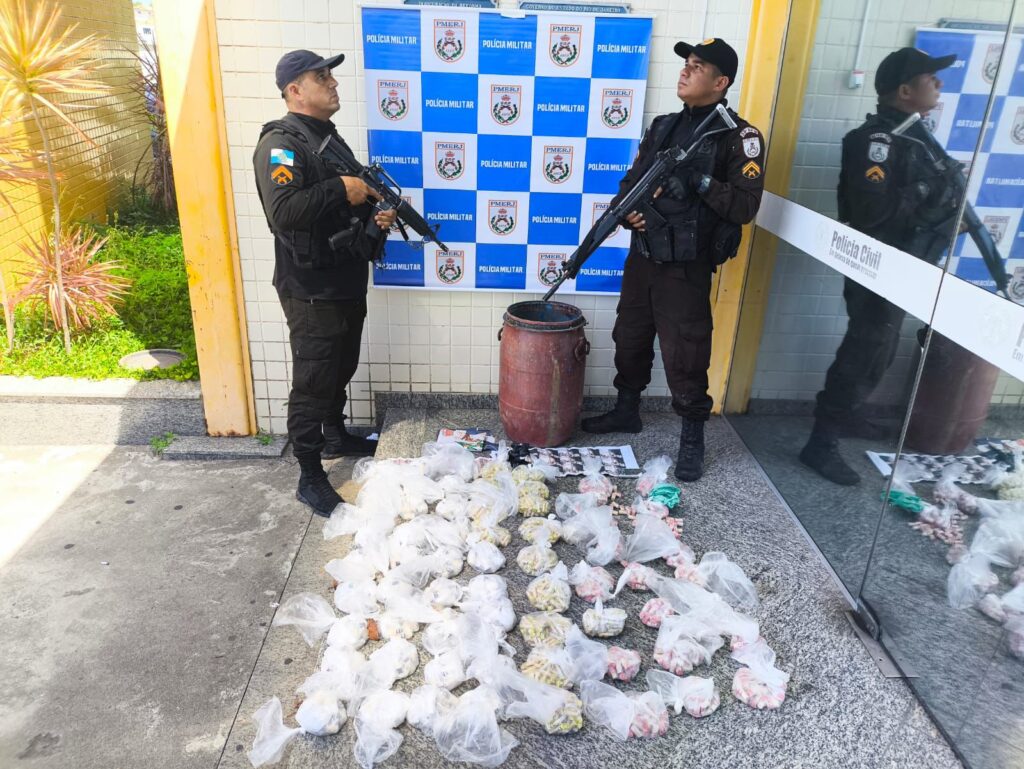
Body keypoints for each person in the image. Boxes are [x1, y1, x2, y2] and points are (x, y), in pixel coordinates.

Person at [581, 38, 766, 482]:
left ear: (721, 82)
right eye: (686, 63)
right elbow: (631, 182)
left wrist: (699, 180)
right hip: (644, 256)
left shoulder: (740, 137)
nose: (685, 71)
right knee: (630, 337)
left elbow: (745, 206)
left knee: (686, 351)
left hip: (686, 265)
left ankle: (692, 438)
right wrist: (629, 213)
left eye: (698, 66)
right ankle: (627, 410)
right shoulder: (664, 126)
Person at [800, 47, 962, 486]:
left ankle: (848, 415)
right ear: (905, 91)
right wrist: (929, 193)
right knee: (865, 347)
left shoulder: (915, 135)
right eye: (931, 77)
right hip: (878, 265)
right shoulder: (875, 142)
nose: (938, 84)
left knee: (882, 348)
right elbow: (873, 213)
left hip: (907, 264)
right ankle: (822, 441)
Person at [253, 50, 396, 515]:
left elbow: (345, 211)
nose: (333, 83)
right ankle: (310, 475)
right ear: (295, 90)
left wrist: (375, 218)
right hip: (311, 288)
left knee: (342, 366)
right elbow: (284, 211)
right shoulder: (280, 144)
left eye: (331, 76)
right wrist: (342, 188)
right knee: (314, 380)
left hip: (344, 280)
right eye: (322, 77)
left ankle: (335, 435)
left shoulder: (329, 139)